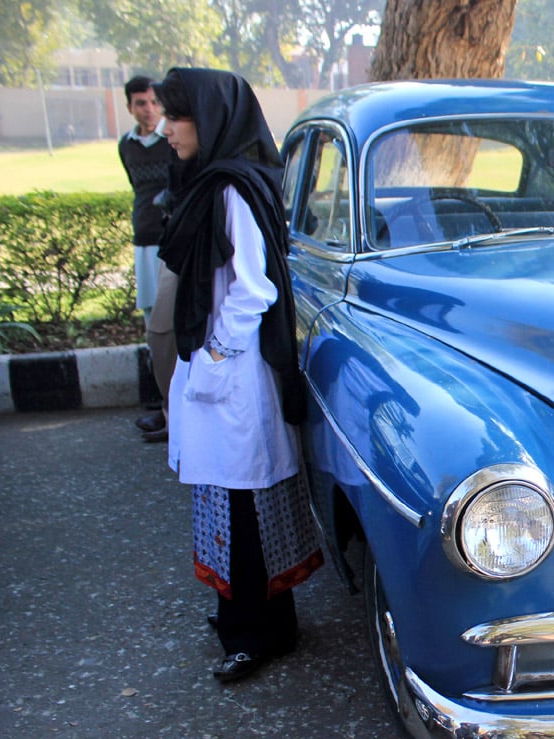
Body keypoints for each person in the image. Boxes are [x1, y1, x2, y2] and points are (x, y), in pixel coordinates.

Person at [153, 67, 321, 683]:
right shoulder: (212, 184)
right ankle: (252, 620)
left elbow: (253, 289)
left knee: (243, 503)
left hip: (232, 371)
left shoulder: (231, 191)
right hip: (219, 368)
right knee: (230, 497)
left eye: (179, 117)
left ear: (213, 119)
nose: (168, 130)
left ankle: (254, 632)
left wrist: (216, 358)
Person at [118, 75, 175, 442]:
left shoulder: (171, 140)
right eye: (141, 103)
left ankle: (172, 411)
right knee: (151, 322)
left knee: (169, 324)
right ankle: (162, 401)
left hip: (170, 238)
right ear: (130, 107)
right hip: (144, 238)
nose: (149, 109)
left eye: (154, 102)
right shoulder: (126, 146)